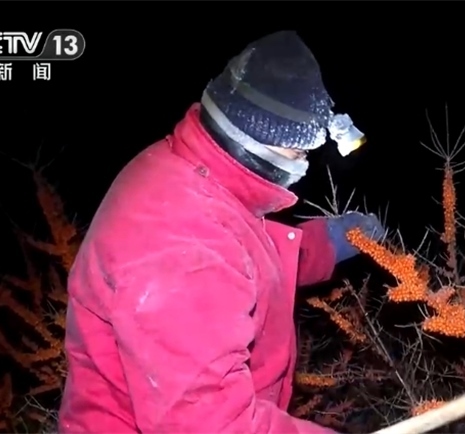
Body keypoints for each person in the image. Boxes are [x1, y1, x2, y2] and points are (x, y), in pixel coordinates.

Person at [59, 31, 383, 433]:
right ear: (255, 140)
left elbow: (238, 257)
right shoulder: (178, 244)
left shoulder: (194, 173)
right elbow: (211, 424)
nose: (304, 165)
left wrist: (326, 243)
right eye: (299, 152)